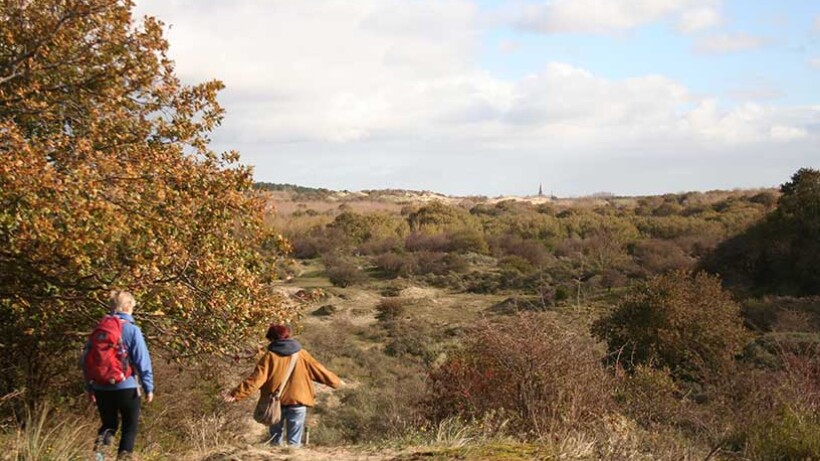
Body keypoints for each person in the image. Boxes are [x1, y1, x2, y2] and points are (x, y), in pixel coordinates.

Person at [224, 324, 341, 447]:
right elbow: (320, 371)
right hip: (298, 401)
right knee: (294, 443)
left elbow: (256, 380)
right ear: (288, 335)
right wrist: (337, 383)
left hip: (275, 403)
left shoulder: (269, 356)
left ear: (271, 338)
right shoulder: (302, 354)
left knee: (275, 440)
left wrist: (236, 394)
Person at [82, 291, 154, 461]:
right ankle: (123, 459)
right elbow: (142, 360)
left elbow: (86, 360)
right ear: (128, 306)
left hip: (100, 387)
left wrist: (90, 387)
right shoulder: (132, 329)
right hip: (126, 387)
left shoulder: (99, 330)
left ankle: (98, 458)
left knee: (108, 426)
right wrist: (148, 387)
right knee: (129, 428)